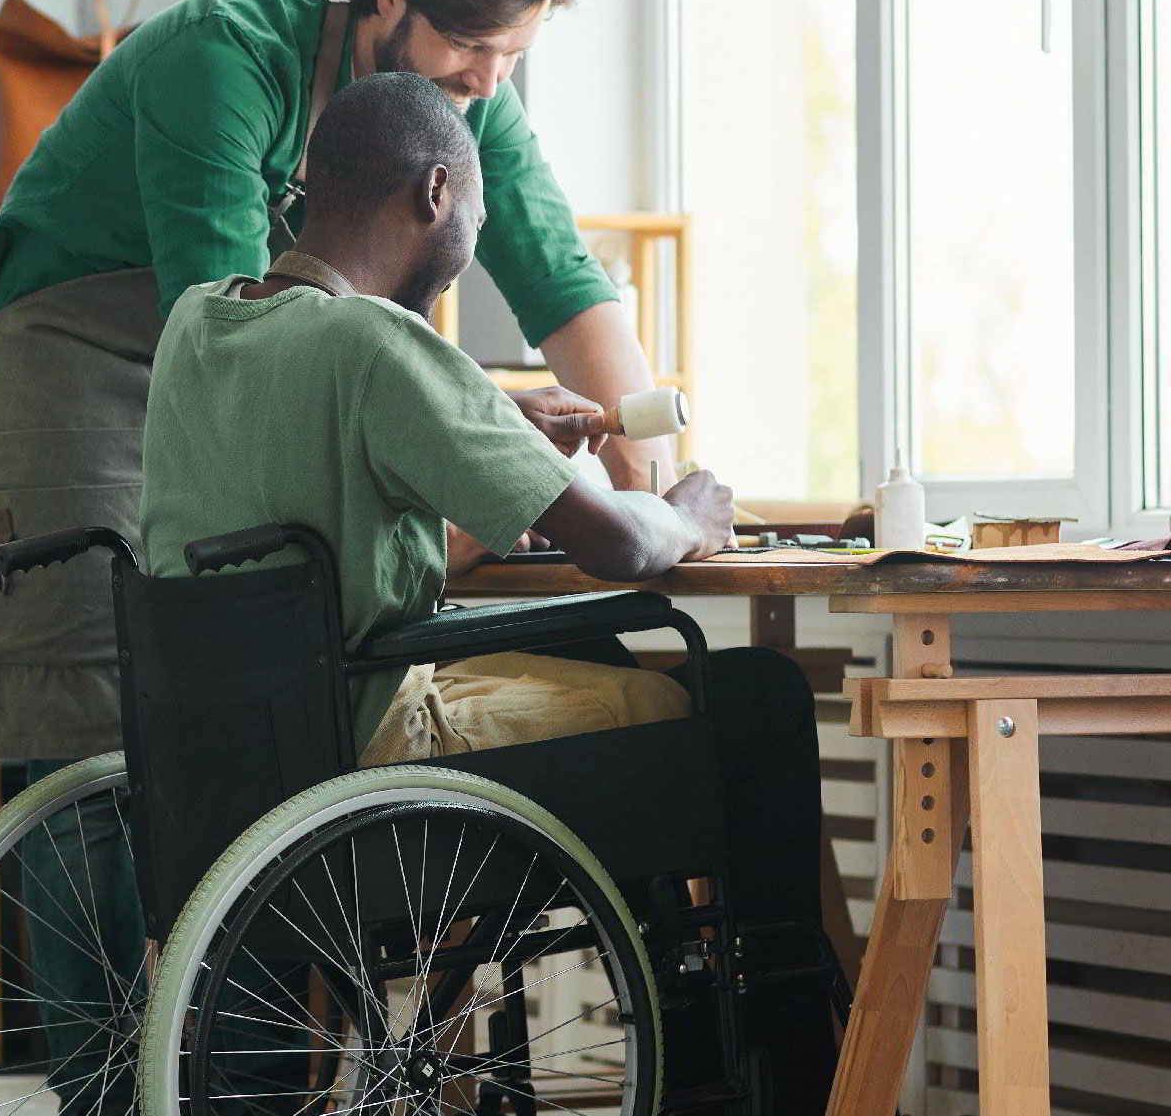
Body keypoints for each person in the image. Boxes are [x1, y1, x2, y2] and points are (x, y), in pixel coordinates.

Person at [138, 71, 840, 1111]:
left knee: (595, 663)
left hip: (239, 752)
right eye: (475, 204)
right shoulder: (378, 344)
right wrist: (687, 515)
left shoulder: (200, 325)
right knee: (750, 700)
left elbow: (325, 510)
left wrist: (498, 430)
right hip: (373, 747)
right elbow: (612, 546)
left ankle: (686, 1021)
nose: (473, 225)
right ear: (434, 194)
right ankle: (769, 1057)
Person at [0, 0, 666, 766]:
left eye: (513, 54)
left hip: (249, 341)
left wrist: (645, 461)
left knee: (269, 647)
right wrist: (465, 428)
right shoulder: (222, 55)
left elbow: (558, 273)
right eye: (473, 45)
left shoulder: (471, 91)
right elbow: (231, 350)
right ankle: (120, 907)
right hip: (77, 342)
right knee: (106, 689)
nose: (487, 80)